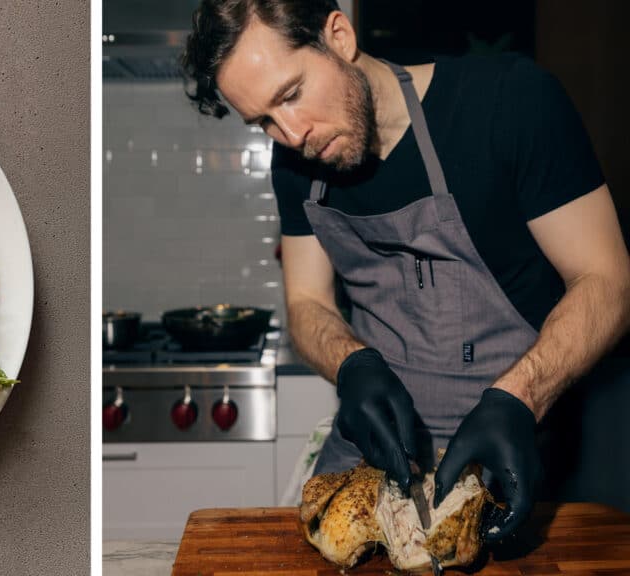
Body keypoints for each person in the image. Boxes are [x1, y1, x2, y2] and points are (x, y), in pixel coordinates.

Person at [182, 0, 630, 541]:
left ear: (339, 35)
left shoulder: (510, 103)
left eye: (291, 94)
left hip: (515, 438)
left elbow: (606, 280)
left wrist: (521, 398)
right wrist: (351, 365)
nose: (292, 133)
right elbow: (307, 301)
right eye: (264, 122)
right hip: (376, 454)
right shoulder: (297, 164)